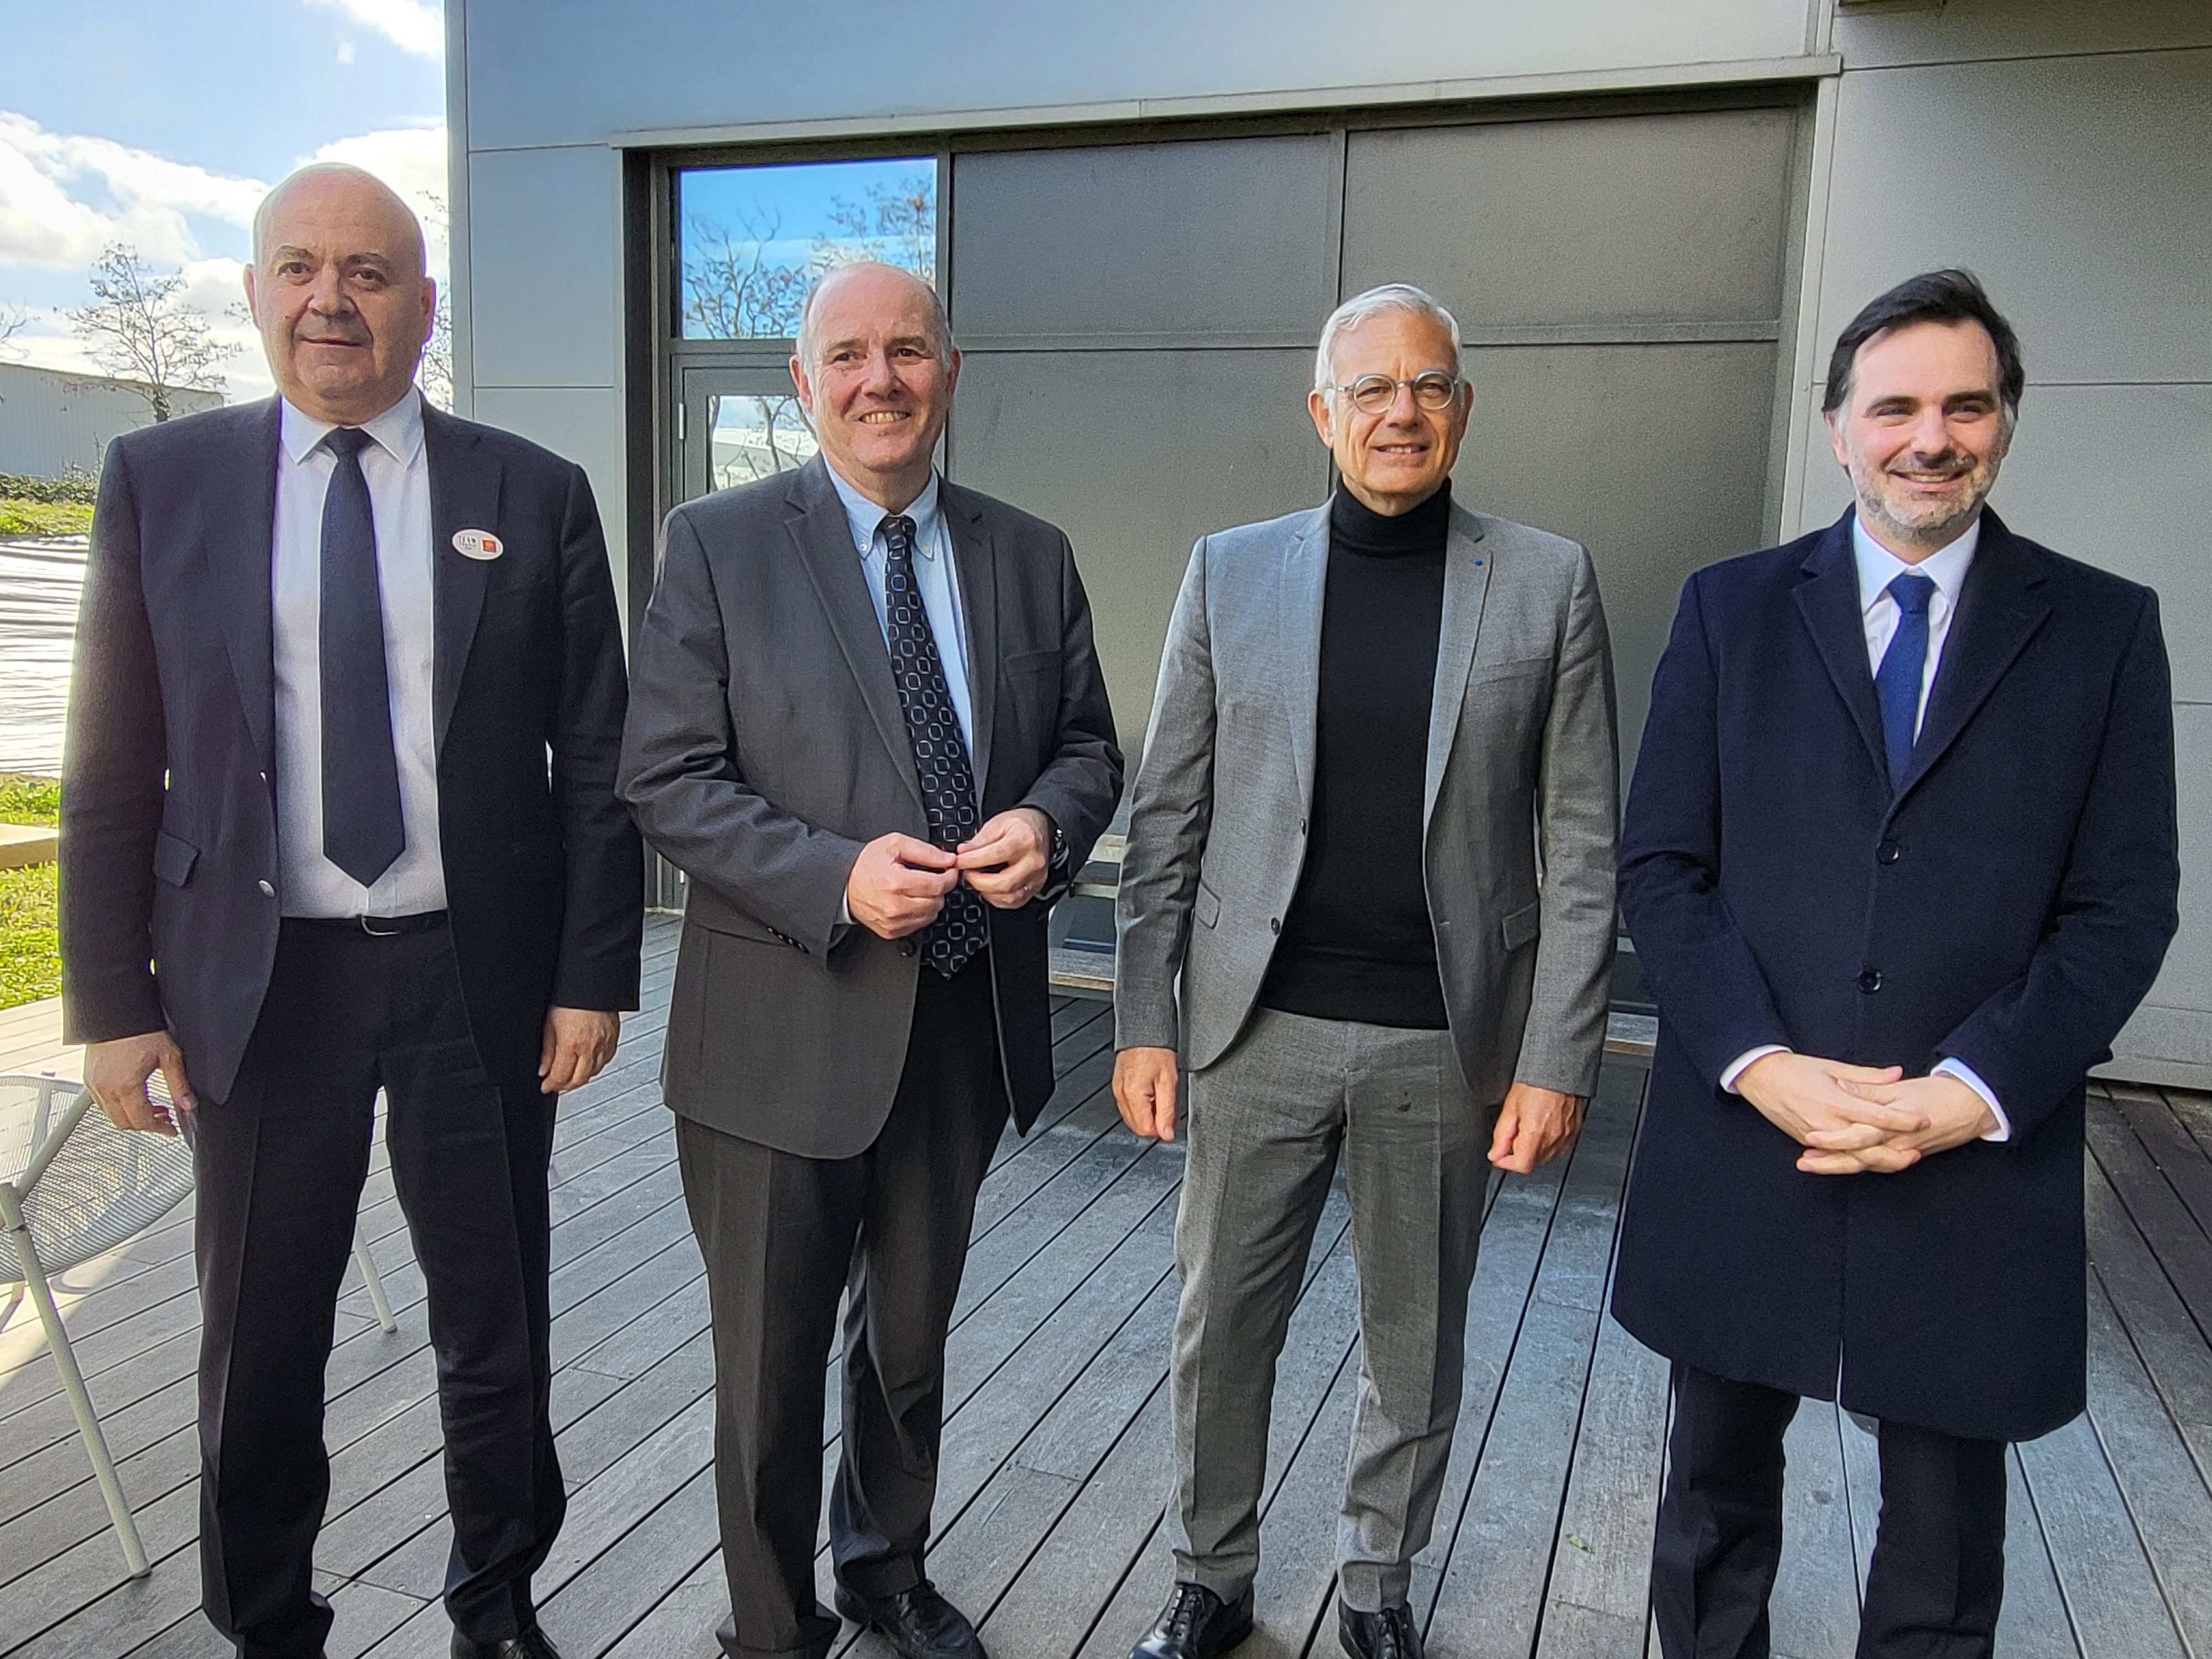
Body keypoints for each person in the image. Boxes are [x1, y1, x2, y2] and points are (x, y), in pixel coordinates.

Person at [60, 163, 643, 1659]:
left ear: (424, 308)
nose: (334, 297)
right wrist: (111, 1006)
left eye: (371, 271)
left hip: (480, 973)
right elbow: (113, 762)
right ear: (257, 292)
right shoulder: (162, 482)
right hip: (257, 986)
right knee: (259, 1336)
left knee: (494, 1320)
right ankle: (267, 1621)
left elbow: (597, 764)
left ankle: (495, 1603)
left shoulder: (532, 491)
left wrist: (593, 974)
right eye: (302, 267)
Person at [1611, 269, 2179, 1659]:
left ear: (2003, 424)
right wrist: (1759, 1064)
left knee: (1940, 1545)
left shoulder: (2102, 631)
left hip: (1969, 1156)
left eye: (1964, 405)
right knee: (1712, 1510)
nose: (1930, 436)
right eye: (1895, 407)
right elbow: (1660, 871)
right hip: (1755, 1136)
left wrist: (1969, 1090)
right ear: (1837, 429)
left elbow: (2121, 908)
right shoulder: (1727, 611)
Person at [618, 259, 1121, 1659]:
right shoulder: (715, 545)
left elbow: (1088, 747)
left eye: (906, 350)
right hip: (781, 1023)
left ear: (949, 371)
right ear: (802, 383)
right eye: (845, 354)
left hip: (959, 1021)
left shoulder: (1029, 552)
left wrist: (1044, 821)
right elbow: (664, 778)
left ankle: (884, 1572)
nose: (877, 379)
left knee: (908, 1347)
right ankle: (771, 1630)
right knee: (769, 1371)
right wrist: (833, 875)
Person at [1112, 283, 1620, 1659]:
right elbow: (1168, 812)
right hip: (1252, 1027)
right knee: (1219, 1327)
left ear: (1461, 406)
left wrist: (1556, 1057)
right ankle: (1209, 1579)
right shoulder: (1229, 570)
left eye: (1430, 385)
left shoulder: (1544, 580)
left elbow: (1580, 847)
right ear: (1320, 410)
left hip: (1442, 1044)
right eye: (1374, 388)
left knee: (1415, 1339)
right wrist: (1141, 1020)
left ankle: (1376, 1587)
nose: (1402, 412)